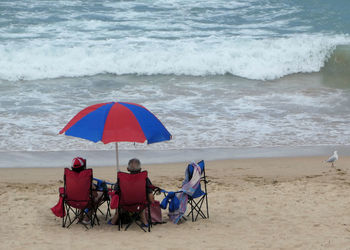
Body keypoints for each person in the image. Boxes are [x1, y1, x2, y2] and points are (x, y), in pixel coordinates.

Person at [109, 158, 155, 226]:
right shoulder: (144, 178)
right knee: (143, 199)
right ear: (140, 169)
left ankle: (114, 219)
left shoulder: (122, 178)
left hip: (124, 205)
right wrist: (151, 201)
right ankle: (144, 221)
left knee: (117, 196)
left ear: (127, 169)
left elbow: (116, 192)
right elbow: (150, 196)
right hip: (140, 205)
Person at [70, 157, 104, 224]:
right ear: (83, 167)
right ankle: (87, 218)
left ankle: (80, 217)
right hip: (85, 201)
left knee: (81, 195)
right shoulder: (86, 178)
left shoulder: (69, 178)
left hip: (72, 201)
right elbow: (95, 194)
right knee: (101, 194)